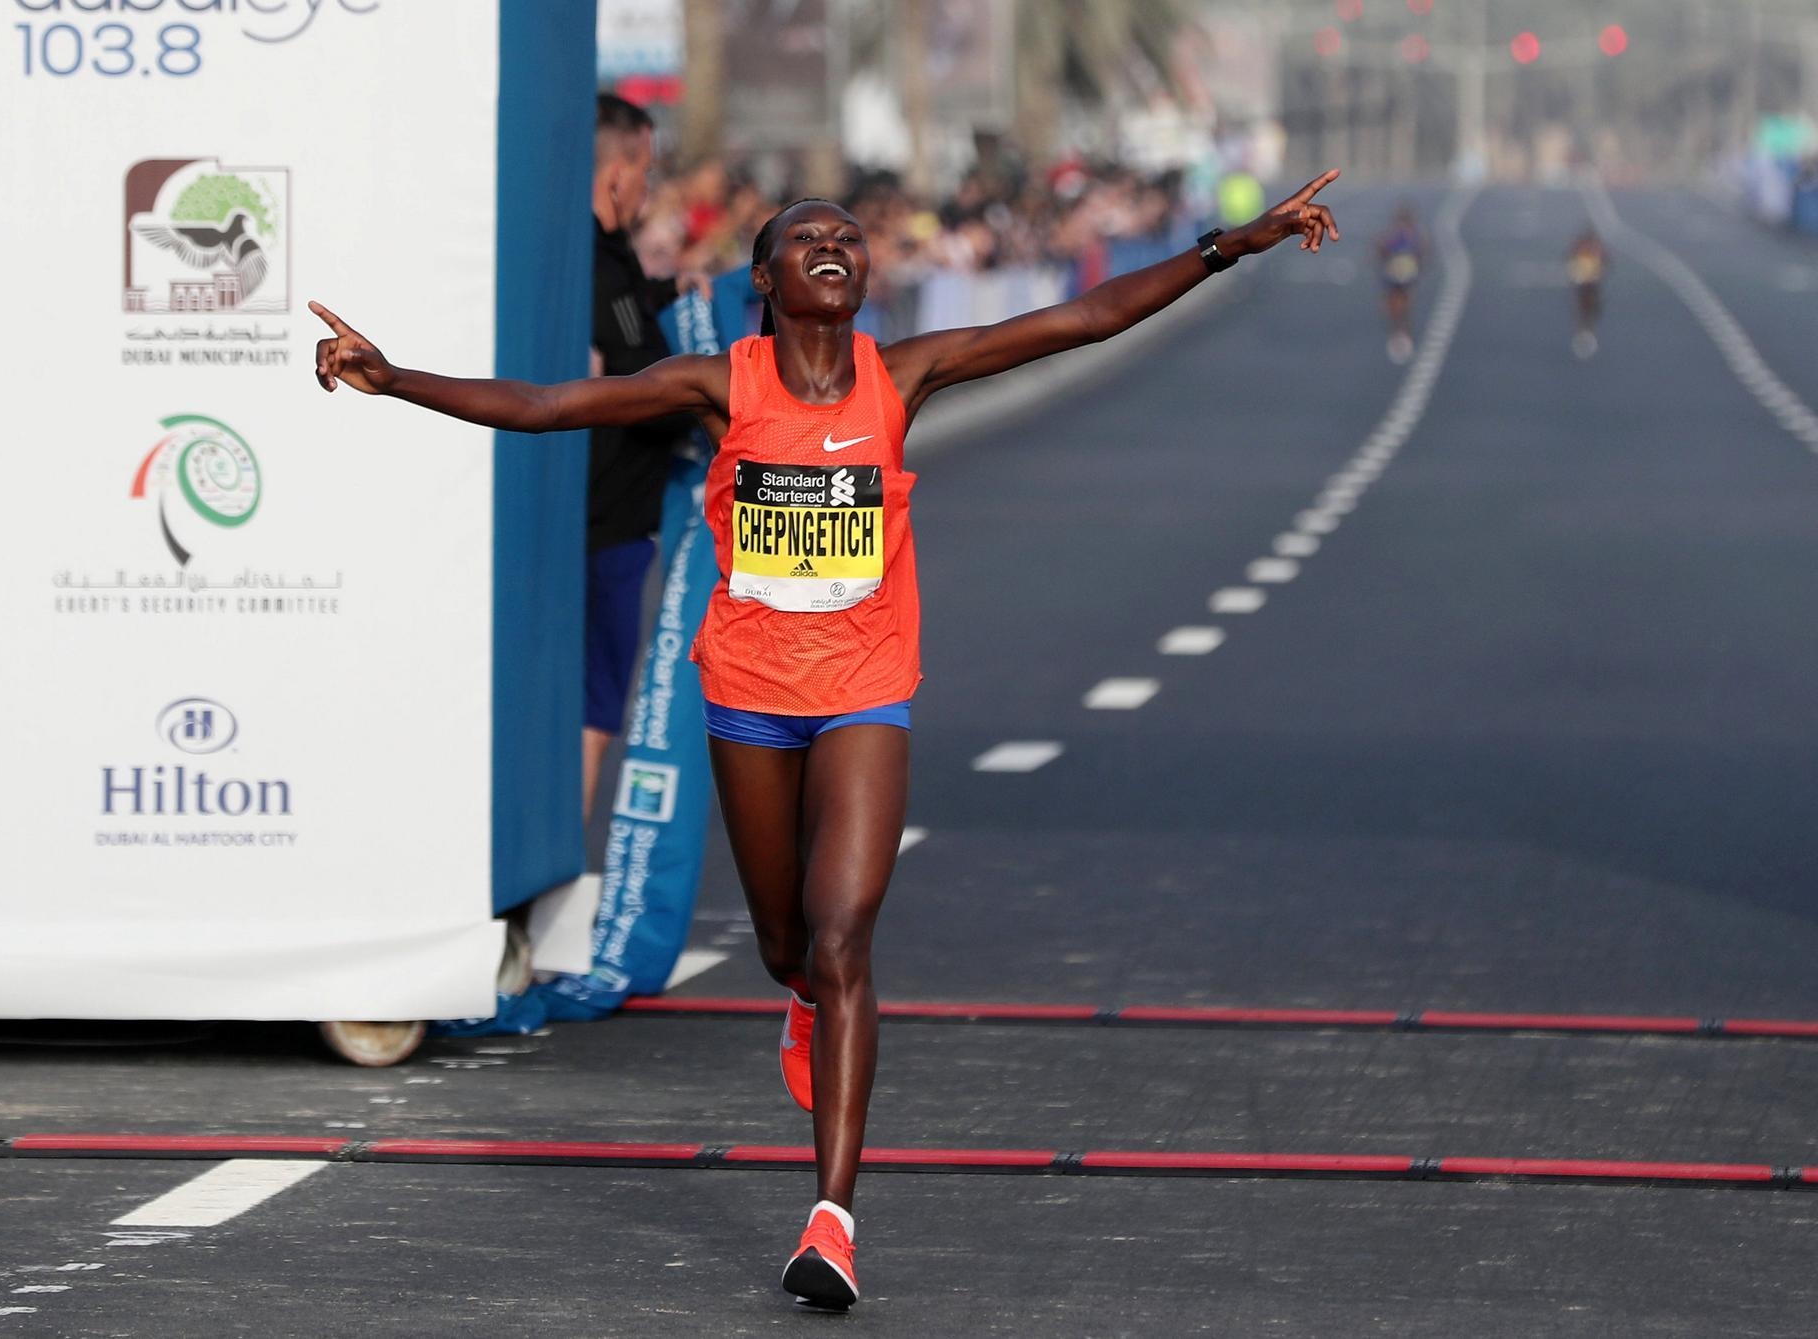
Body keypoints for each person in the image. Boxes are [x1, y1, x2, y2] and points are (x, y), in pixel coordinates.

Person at [309, 168, 1343, 1313]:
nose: (836, 244)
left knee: (847, 934)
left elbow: (1083, 317)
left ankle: (832, 1221)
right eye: (809, 237)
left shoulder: (903, 375)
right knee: (788, 945)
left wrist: (1234, 245)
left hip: (864, 691)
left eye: (848, 236)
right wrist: (392, 378)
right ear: (767, 279)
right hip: (749, 693)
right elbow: (553, 407)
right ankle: (799, 998)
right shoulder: (720, 383)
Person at [583, 93, 706, 822]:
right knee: (593, 710)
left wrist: (673, 289)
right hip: (603, 522)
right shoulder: (596, 264)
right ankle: (546, 901)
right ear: (621, 171)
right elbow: (639, 375)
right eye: (648, 173)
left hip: (607, 517)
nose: (649, 190)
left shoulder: (610, 260)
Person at [1377, 203, 1425, 364]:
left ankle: (1401, 334)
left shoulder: (1400, 235)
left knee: (1399, 304)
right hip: (1399, 271)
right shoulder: (1409, 235)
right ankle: (1400, 334)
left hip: (1400, 271)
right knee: (1398, 304)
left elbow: (1381, 249)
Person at [1567, 228, 1607, 360]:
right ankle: (1585, 326)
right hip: (1587, 279)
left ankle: (1585, 326)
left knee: (1588, 303)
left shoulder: (1587, 247)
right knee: (1586, 303)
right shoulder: (1590, 248)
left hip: (1588, 279)